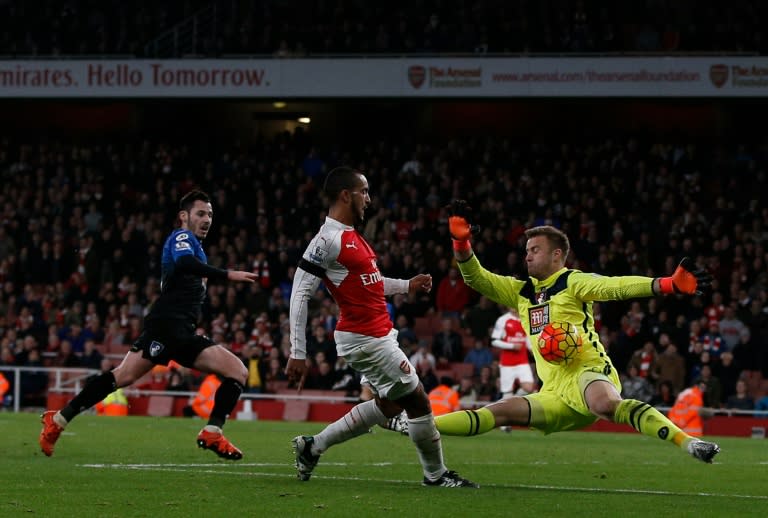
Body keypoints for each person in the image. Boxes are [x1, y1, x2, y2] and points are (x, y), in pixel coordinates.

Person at [433, 200, 720, 464]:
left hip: (588, 372)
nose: (527, 257)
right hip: (554, 391)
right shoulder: (521, 292)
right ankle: (418, 425)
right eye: (526, 251)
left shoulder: (573, 282)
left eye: (535, 250)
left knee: (605, 404)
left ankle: (690, 443)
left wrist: (667, 284)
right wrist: (461, 241)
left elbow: (616, 286)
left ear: (557, 255)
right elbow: (475, 277)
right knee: (500, 412)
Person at [285, 167, 476, 487]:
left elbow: (371, 285)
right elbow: (300, 292)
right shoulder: (327, 239)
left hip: (375, 332)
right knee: (418, 400)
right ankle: (437, 475)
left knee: (388, 405)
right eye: (364, 192)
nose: (369, 199)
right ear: (346, 195)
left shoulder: (353, 237)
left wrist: (407, 285)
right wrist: (297, 351)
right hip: (365, 336)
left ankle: (312, 446)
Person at [39, 190, 258, 460]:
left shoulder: (196, 248)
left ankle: (59, 420)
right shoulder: (182, 237)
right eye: (201, 213)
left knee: (124, 376)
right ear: (183, 216)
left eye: (210, 215)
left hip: (174, 328)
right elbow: (185, 263)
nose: (207, 219)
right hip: (169, 326)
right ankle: (212, 431)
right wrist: (227, 274)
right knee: (236, 371)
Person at [490, 307, 535, 396]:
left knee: (529, 388)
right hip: (507, 362)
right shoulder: (503, 320)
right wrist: (512, 346)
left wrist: (532, 349)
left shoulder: (525, 319)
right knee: (507, 392)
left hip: (522, 360)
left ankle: (516, 398)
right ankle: (506, 407)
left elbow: (526, 338)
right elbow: (494, 341)